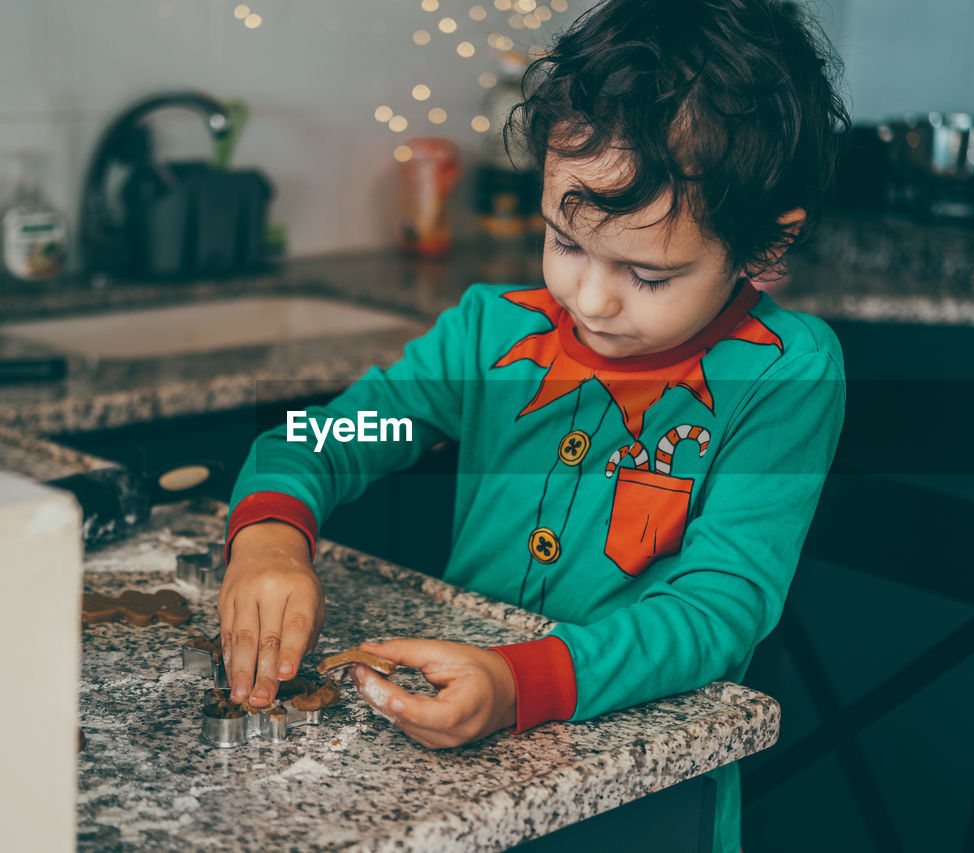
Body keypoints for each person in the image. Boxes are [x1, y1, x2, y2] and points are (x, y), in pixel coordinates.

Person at [219, 0, 849, 848]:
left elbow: (719, 606)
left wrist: (522, 683)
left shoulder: (785, 372)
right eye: (566, 241)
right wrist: (267, 539)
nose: (589, 300)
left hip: (646, 804)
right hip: (457, 785)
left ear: (766, 249)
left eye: (649, 275)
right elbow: (319, 440)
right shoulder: (492, 332)